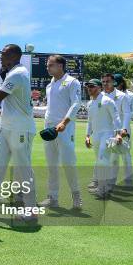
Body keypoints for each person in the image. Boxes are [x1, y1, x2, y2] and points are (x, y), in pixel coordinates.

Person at [0, 44, 38, 220]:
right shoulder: (12, 74)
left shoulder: (19, 73)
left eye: (4, 54)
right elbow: (5, 106)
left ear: (13, 56)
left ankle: (31, 209)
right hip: (4, 127)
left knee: (23, 168)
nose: (1, 57)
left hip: (20, 128)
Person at [39, 55, 82, 209]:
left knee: (68, 163)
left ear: (60, 66)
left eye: (50, 65)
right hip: (50, 129)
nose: (48, 67)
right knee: (51, 165)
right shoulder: (49, 85)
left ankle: (76, 196)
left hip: (65, 128)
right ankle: (53, 197)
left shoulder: (72, 82)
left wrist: (64, 122)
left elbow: (76, 103)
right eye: (47, 65)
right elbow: (49, 108)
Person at [84, 79, 123, 199]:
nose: (89, 88)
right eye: (88, 86)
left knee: (102, 160)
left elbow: (116, 118)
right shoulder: (90, 103)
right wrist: (87, 135)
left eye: (92, 86)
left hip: (107, 134)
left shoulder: (107, 101)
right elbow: (90, 121)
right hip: (96, 135)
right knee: (99, 160)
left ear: (100, 88)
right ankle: (103, 186)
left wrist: (118, 134)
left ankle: (103, 189)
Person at [113, 74, 133, 188]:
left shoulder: (131, 95)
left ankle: (129, 181)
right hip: (112, 129)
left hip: (125, 129)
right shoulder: (110, 95)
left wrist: (123, 113)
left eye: (116, 83)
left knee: (126, 155)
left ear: (121, 83)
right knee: (113, 155)